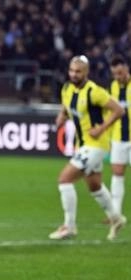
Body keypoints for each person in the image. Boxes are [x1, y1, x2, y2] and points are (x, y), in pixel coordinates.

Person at [49, 55, 125, 241]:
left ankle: (69, 226)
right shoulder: (67, 88)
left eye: (78, 71)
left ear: (86, 72)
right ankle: (116, 219)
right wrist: (61, 117)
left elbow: (119, 110)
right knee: (94, 185)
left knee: (65, 180)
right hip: (81, 144)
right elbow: (66, 107)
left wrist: (101, 128)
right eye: (71, 71)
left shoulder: (94, 91)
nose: (74, 74)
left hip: (96, 145)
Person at [108, 55, 131, 219]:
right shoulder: (113, 87)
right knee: (117, 173)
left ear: (127, 69)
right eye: (115, 74)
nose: (118, 77)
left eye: (120, 73)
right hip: (118, 137)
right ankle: (115, 214)